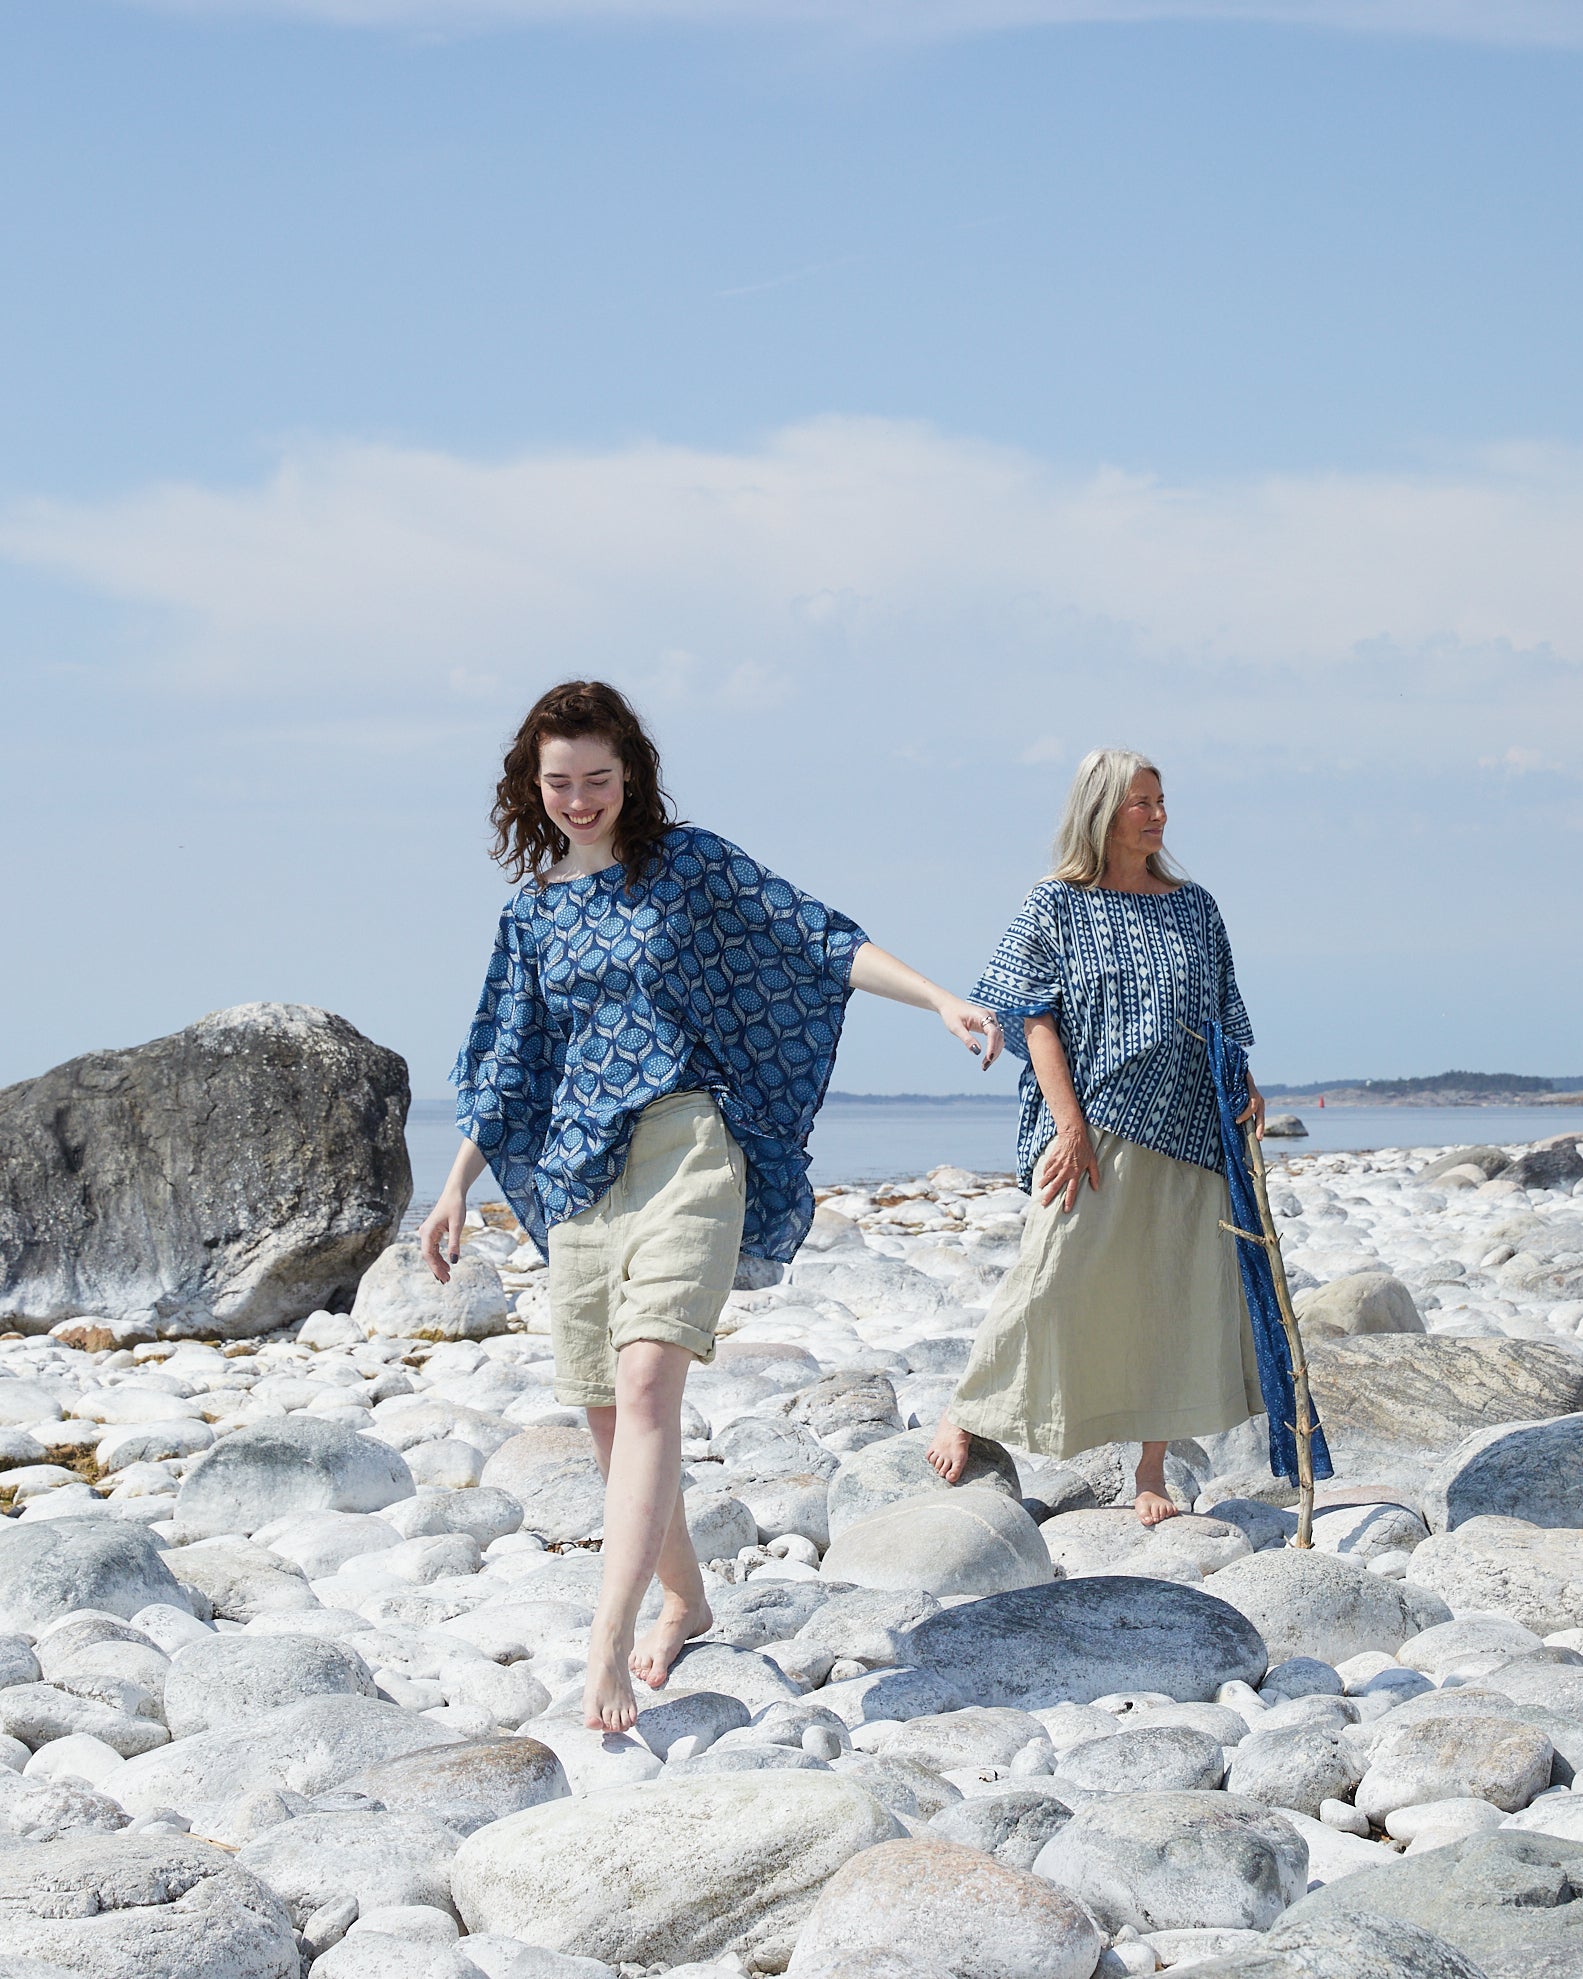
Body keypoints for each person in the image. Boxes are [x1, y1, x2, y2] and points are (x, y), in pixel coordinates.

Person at [420, 679, 1001, 1732]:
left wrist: (938, 999)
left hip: (691, 1146)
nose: (580, 798)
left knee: (647, 1381)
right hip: (580, 1177)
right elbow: (506, 1061)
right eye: (560, 782)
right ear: (531, 786)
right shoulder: (534, 914)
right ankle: (685, 1594)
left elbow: (811, 936)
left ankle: (603, 1643)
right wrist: (455, 1186)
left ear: (630, 772)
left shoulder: (688, 867)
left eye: (598, 777)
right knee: (605, 1409)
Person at [926, 748, 1265, 1526]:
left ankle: (1148, 1468)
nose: (1157, 815)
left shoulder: (1193, 905)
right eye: (1140, 803)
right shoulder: (1054, 903)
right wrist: (1068, 1122)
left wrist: (1240, 1081)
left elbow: (1221, 1012)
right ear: (1100, 812)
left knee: (1171, 1294)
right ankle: (970, 1407)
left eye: (1160, 800)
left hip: (1190, 1124)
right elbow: (1029, 1015)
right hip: (1097, 1120)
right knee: (1050, 1270)